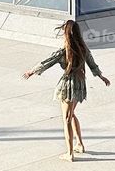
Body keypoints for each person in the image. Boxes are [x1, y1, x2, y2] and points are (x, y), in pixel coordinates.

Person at [23, 19, 110, 161]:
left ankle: (69, 153)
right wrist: (102, 77)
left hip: (68, 85)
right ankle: (80, 144)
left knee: (67, 119)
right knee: (72, 114)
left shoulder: (64, 51)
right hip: (80, 84)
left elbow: (47, 62)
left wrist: (31, 72)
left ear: (66, 34)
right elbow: (92, 64)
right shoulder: (83, 48)